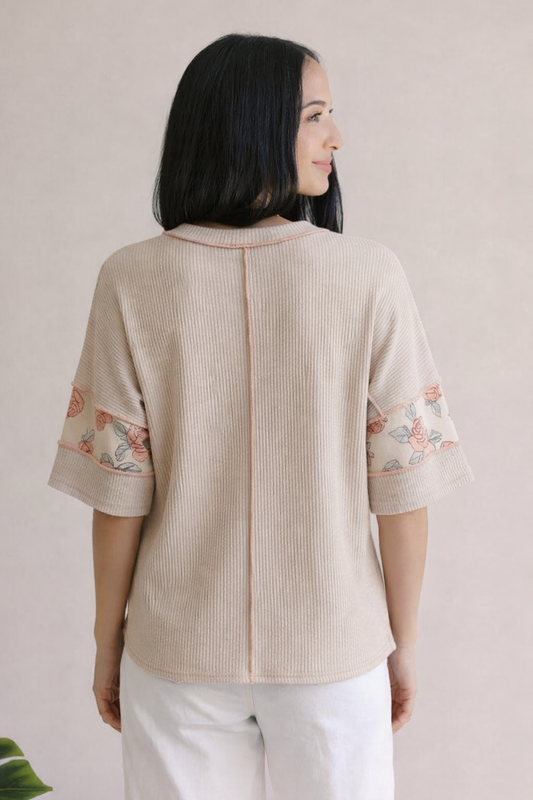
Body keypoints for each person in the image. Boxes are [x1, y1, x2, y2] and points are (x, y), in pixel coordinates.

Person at [47, 32, 475, 800]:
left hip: (176, 652)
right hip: (333, 651)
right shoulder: (367, 274)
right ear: (249, 124)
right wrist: (402, 644)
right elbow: (402, 489)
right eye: (313, 116)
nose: (335, 137)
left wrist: (107, 641)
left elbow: (118, 498)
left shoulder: (131, 279)